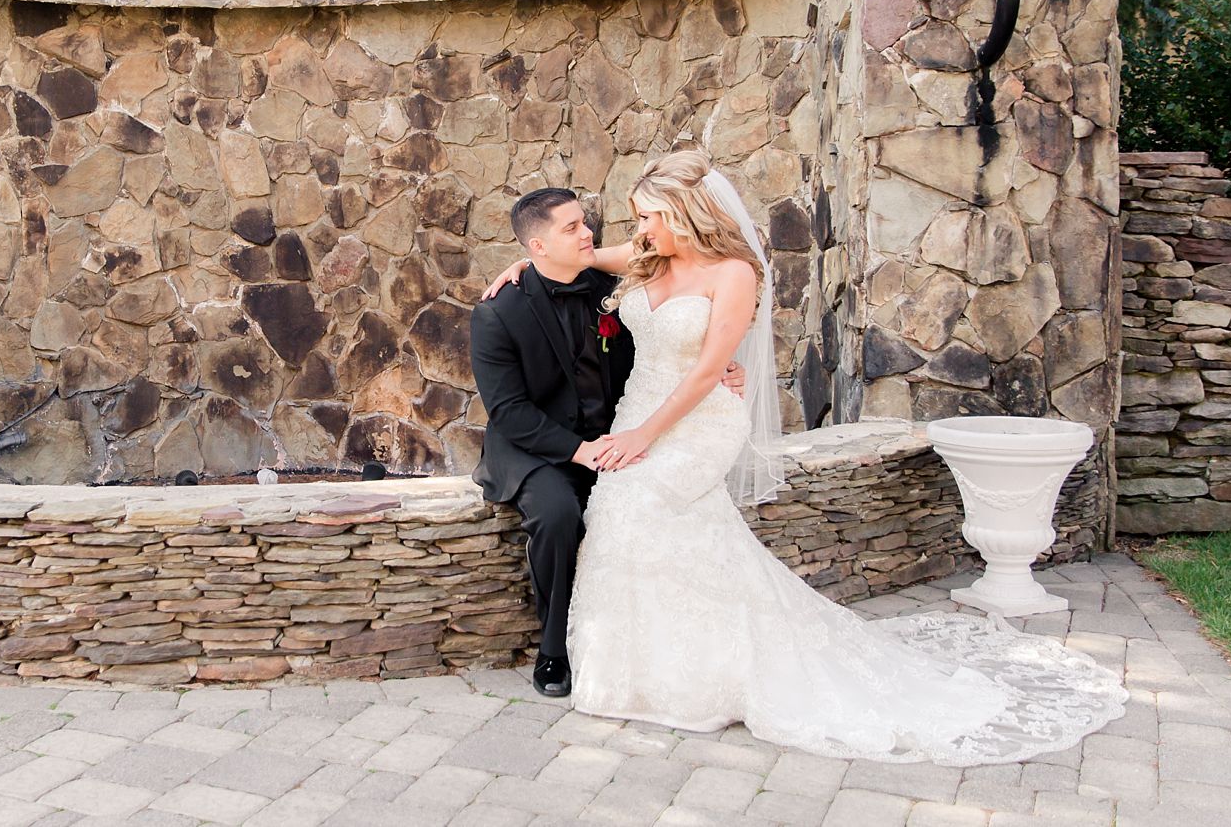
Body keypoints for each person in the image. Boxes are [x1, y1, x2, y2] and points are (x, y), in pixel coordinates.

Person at [482, 146, 1127, 764]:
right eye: (638, 218)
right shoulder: (649, 255)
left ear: (683, 213)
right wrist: (517, 268)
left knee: (639, 499)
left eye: (649, 215)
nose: (635, 229)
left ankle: (715, 666)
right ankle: (638, 666)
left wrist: (643, 437)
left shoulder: (735, 273)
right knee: (622, 507)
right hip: (641, 413)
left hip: (697, 420)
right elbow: (573, 262)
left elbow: (709, 371)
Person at [469, 187, 744, 698]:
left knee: (652, 503)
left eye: (584, 222)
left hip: (617, 429)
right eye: (570, 228)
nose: (587, 232)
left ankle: (656, 642)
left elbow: (669, 333)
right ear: (538, 247)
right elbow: (509, 412)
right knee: (557, 516)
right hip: (537, 447)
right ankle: (553, 651)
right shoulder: (497, 313)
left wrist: (719, 362)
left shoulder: (611, 283)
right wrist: (579, 452)